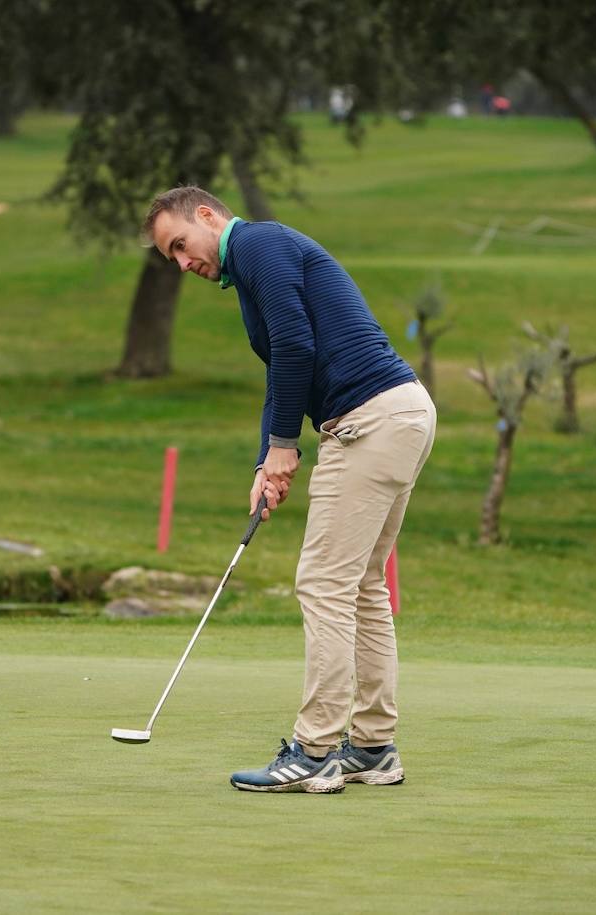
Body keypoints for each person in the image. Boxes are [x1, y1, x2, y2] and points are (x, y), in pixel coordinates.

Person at [143, 186, 437, 793]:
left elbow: (298, 347)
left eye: (179, 245)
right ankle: (373, 748)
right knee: (360, 586)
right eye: (169, 257)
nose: (182, 263)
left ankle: (315, 750)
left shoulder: (258, 243)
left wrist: (284, 448)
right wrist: (265, 461)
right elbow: (284, 370)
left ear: (206, 216)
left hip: (370, 418)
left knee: (323, 582)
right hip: (399, 412)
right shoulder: (254, 265)